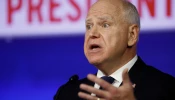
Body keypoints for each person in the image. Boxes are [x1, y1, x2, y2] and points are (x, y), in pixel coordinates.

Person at [54, 0, 175, 100]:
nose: (92, 34)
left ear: (132, 35)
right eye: (89, 26)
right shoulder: (67, 94)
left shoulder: (166, 88)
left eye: (105, 25)